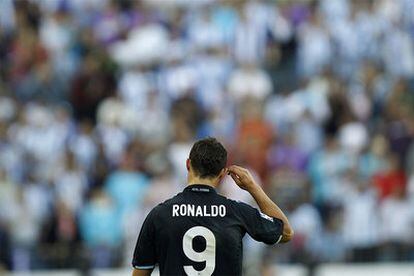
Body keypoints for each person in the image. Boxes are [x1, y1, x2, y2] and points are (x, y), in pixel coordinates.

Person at [131, 137, 293, 276]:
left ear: (188, 164)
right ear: (222, 174)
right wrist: (252, 186)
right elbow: (286, 232)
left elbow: (141, 272)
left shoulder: (160, 214)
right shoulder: (236, 211)